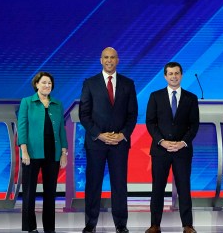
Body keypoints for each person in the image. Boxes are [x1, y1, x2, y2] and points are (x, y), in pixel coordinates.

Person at [79, 47, 138, 233]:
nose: (109, 60)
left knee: (119, 185)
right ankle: (90, 224)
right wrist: (99, 134)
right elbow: (84, 114)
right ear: (100, 60)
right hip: (96, 142)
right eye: (106, 57)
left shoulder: (128, 84)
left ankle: (121, 225)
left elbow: (132, 114)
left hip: (119, 143)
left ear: (118, 60)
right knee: (93, 183)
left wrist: (122, 135)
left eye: (112, 57)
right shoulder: (90, 83)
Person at [145, 62, 200, 233]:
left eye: (177, 73)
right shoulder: (155, 96)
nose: (174, 76)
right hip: (161, 150)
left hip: (182, 151)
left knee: (184, 188)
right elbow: (150, 123)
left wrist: (182, 142)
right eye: (170, 73)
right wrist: (162, 141)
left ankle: (188, 225)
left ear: (181, 75)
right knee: (158, 188)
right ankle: (155, 225)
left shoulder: (191, 98)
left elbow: (194, 125)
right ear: (165, 76)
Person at [17, 72, 68, 233]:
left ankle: (49, 228)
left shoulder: (57, 104)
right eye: (44, 83)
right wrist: (24, 150)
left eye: (50, 83)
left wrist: (63, 152)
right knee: (29, 192)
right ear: (36, 84)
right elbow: (22, 127)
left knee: (50, 193)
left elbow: (61, 130)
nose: (47, 86)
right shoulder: (27, 102)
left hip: (53, 153)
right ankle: (30, 227)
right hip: (31, 153)